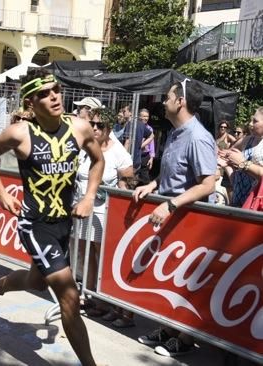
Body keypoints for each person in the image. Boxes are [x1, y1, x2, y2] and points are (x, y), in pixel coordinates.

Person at [0, 68, 104, 366]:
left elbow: (99, 160)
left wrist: (88, 197)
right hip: (34, 226)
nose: (54, 97)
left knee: (36, 282)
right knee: (69, 297)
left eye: (56, 90)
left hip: (63, 224)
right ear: (31, 103)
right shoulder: (20, 133)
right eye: (44, 94)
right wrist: (1, 193)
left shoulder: (80, 127)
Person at [133, 79, 216, 357]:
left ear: (180, 101)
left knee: (188, 283)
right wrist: (153, 185)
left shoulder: (198, 137)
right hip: (174, 221)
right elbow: (173, 174)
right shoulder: (173, 133)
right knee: (170, 282)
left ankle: (185, 336)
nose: (163, 101)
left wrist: (170, 204)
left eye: (168, 96)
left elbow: (208, 184)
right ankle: (169, 329)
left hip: (192, 223)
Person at [73, 109, 133, 327]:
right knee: (84, 251)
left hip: (105, 213)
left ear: (109, 129)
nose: (95, 128)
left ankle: (105, 300)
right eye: (93, 125)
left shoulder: (118, 152)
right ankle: (91, 297)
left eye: (100, 125)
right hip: (82, 208)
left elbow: (128, 182)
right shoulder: (85, 147)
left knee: (102, 256)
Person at [219, 107, 263, 207]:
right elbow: (228, 157)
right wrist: (227, 166)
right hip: (238, 204)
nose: (250, 124)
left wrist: (243, 163)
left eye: (255, 121)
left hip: (256, 208)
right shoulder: (247, 140)